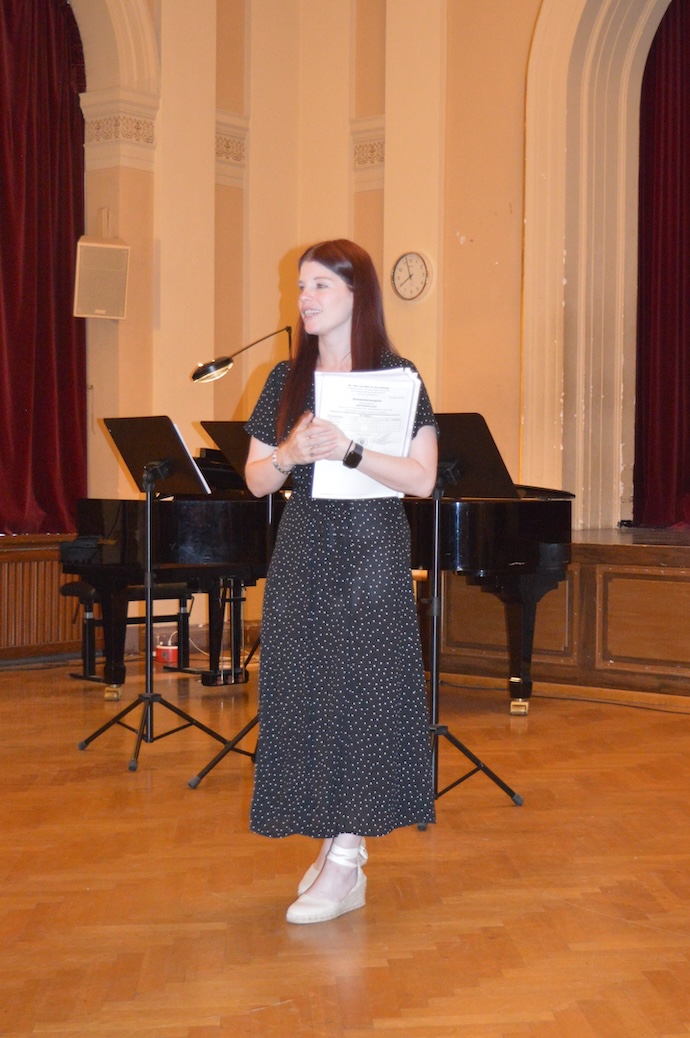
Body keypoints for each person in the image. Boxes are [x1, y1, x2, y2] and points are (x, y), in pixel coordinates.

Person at [244, 239, 438, 925]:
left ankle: (349, 853)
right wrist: (291, 451)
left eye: (321, 285)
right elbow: (256, 479)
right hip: (303, 547)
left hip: (371, 546)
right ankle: (335, 844)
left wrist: (352, 450)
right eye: (302, 286)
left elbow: (421, 479)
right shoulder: (284, 379)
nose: (306, 299)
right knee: (307, 689)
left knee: (364, 692)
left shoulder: (398, 377)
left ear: (358, 295)